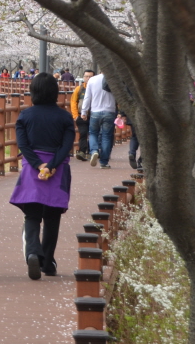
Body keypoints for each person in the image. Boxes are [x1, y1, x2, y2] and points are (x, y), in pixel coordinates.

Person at [9, 73, 75, 279]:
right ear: (55, 92)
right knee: (52, 217)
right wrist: (52, 165)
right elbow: (66, 146)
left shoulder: (25, 116)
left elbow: (23, 145)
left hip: (32, 169)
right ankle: (48, 262)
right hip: (58, 170)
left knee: (32, 215)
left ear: (33, 92)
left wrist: (39, 165)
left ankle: (32, 252)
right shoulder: (65, 117)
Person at [81, 70, 117, 168]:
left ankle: (94, 150)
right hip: (110, 111)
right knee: (106, 136)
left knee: (93, 133)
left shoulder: (92, 80)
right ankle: (104, 162)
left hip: (95, 111)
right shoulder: (114, 79)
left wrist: (84, 111)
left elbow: (87, 97)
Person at [70, 70, 95, 161]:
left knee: (93, 134)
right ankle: (82, 151)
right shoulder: (79, 89)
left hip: (94, 115)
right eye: (86, 76)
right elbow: (73, 102)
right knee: (83, 133)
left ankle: (91, 151)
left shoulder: (96, 88)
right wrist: (75, 115)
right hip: (81, 115)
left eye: (90, 76)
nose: (88, 78)